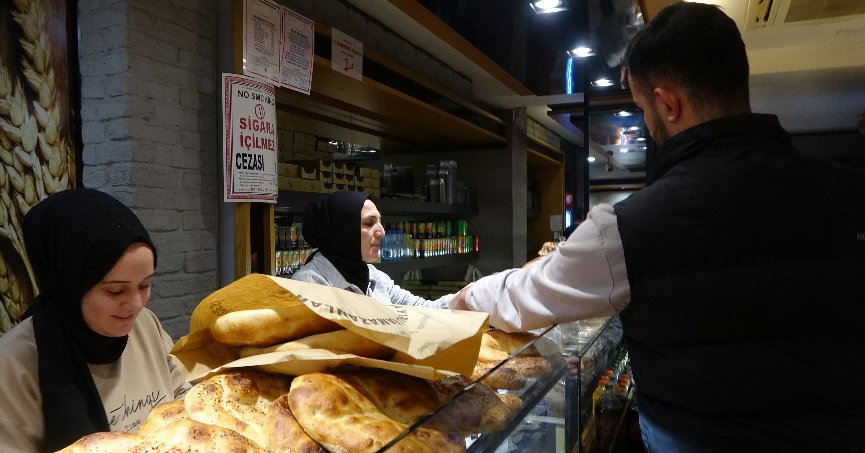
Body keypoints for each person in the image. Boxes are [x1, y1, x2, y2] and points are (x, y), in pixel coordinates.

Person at [453, 3, 865, 451]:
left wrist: (465, 297)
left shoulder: (629, 228)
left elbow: (531, 293)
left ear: (668, 103)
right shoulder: (851, 193)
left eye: (643, 107)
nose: (646, 122)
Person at [0, 188, 191, 452]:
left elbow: (186, 402)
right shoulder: (12, 366)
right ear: (69, 284)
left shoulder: (146, 326)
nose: (136, 305)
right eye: (114, 291)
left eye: (145, 285)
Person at [292, 190, 453, 308]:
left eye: (380, 222)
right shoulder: (309, 283)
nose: (382, 232)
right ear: (342, 230)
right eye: (369, 223)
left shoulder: (375, 276)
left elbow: (422, 310)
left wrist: (460, 300)